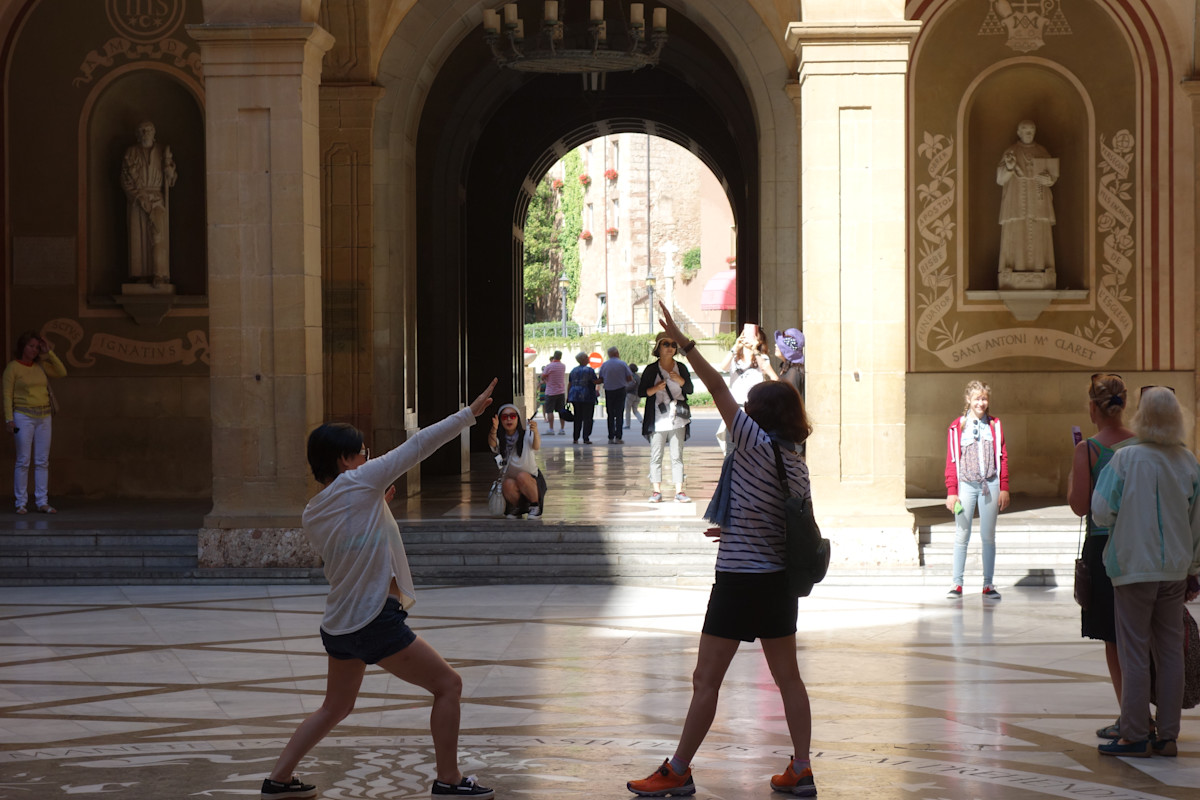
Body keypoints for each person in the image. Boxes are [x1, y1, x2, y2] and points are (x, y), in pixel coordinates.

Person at [261, 379, 498, 800]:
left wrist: (378, 503)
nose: (369, 458)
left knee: (335, 707)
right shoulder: (360, 483)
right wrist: (470, 414)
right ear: (345, 460)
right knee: (449, 686)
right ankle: (449, 779)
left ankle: (278, 780)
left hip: (339, 626)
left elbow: (353, 544)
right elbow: (420, 444)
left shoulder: (314, 511)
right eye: (363, 453)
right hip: (374, 619)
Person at [626, 302, 817, 798]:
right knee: (789, 679)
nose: (743, 409)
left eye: (751, 404)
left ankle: (679, 769)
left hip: (739, 581)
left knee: (705, 678)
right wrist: (734, 527)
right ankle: (801, 767)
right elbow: (784, 521)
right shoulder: (795, 460)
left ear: (760, 415)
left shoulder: (753, 442)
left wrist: (686, 343)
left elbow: (714, 387)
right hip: (776, 582)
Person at [1091, 386, 1200, 757]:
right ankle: (1168, 735)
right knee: (1170, 650)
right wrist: (1193, 569)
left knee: (1134, 650)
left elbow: (1101, 510)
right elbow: (1197, 522)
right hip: (1174, 569)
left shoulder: (1125, 460)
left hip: (1133, 566)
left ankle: (1134, 733)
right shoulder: (1188, 461)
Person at [1066, 373, 1135, 740]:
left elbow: (1079, 506)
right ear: (1124, 404)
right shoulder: (1145, 445)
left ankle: (1129, 714)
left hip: (1103, 546)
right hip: (1139, 544)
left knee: (1113, 637)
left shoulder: (1087, 450)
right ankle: (1147, 714)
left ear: (1093, 407)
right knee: (1142, 634)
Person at [944, 380, 1010, 599]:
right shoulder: (957, 426)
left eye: (984, 399)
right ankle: (957, 583)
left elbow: (1003, 456)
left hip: (990, 485)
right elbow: (952, 461)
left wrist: (1004, 487)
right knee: (962, 534)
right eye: (976, 399)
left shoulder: (995, 425)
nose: (980, 403)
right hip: (965, 487)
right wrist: (952, 491)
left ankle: (988, 584)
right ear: (968, 400)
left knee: (988, 536)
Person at [3, 331, 66, 514]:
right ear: (23, 346)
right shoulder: (13, 368)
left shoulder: (41, 366)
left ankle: (42, 502)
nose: (34, 350)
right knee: (23, 460)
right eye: (31, 346)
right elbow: (7, 395)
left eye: (37, 347)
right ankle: (21, 502)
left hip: (44, 416)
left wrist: (49, 352)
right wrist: (9, 419)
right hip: (23, 416)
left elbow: (62, 372)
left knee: (42, 461)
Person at [120, 120, 177, 286]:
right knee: (139, 237)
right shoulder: (130, 152)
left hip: (157, 199)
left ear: (154, 133)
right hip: (137, 200)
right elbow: (125, 179)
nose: (146, 133)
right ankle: (141, 274)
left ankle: (159, 273)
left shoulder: (161, 151)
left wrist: (170, 172)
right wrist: (138, 197)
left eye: (149, 130)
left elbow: (171, 179)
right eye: (142, 130)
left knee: (157, 234)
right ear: (138, 135)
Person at [997, 119, 1057, 276]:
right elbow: (1000, 179)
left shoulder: (1042, 151)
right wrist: (1010, 167)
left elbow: (1052, 175)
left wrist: (1049, 180)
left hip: (1038, 202)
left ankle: (1041, 270)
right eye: (1025, 130)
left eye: (1031, 130)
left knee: (1038, 232)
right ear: (1019, 132)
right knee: (1016, 230)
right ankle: (1011, 270)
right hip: (1015, 201)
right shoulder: (1010, 151)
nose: (1028, 133)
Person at [639, 332, 693, 503]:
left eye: (673, 345)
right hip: (657, 419)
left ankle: (679, 491)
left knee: (677, 455)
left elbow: (690, 389)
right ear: (658, 348)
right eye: (666, 344)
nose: (670, 348)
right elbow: (641, 392)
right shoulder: (651, 369)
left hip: (678, 418)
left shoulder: (681, 368)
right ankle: (656, 491)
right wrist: (655, 389)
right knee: (656, 455)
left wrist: (680, 380)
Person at [715, 324, 775, 454]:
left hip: (753, 408)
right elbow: (723, 367)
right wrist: (735, 348)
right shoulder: (735, 358)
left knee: (752, 448)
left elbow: (765, 369)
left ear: (760, 340)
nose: (749, 338)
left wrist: (755, 350)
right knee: (731, 449)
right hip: (735, 408)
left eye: (753, 336)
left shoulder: (762, 357)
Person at [487, 402, 546, 519]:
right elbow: (492, 443)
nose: (509, 419)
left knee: (522, 476)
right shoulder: (501, 438)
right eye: (505, 417)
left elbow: (536, 446)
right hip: (512, 480)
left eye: (512, 416)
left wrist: (536, 432)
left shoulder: (526, 434)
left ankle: (535, 506)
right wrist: (494, 429)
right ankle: (517, 508)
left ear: (518, 419)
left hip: (530, 480)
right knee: (507, 483)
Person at [598, 346, 634, 444]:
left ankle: (610, 437)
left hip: (609, 391)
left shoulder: (604, 365)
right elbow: (630, 378)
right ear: (616, 353)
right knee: (619, 414)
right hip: (620, 390)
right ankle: (618, 437)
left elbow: (600, 378)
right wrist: (622, 381)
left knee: (610, 414)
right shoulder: (622, 364)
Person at [567, 352, 600, 445]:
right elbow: (595, 381)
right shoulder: (589, 370)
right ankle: (586, 437)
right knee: (588, 417)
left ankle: (575, 438)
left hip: (575, 395)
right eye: (587, 357)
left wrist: (568, 396)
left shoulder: (573, 370)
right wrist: (602, 379)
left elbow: (570, 383)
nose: (588, 358)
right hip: (587, 395)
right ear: (584, 359)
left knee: (577, 417)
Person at [541, 351, 568, 435]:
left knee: (549, 411)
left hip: (550, 392)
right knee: (561, 411)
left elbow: (543, 376)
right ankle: (562, 429)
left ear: (554, 356)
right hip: (561, 391)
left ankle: (551, 429)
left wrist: (546, 380)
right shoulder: (563, 366)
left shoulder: (549, 366)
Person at [774, 328, 805, 400]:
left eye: (780, 345)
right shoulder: (784, 366)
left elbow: (788, 398)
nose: (775, 345)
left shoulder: (794, 371)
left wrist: (770, 371)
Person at [624, 363, 643, 430]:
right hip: (638, 395)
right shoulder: (638, 377)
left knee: (628, 410)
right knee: (635, 410)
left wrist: (625, 389)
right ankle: (641, 421)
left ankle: (627, 424)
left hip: (630, 394)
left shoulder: (630, 376)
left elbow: (630, 385)